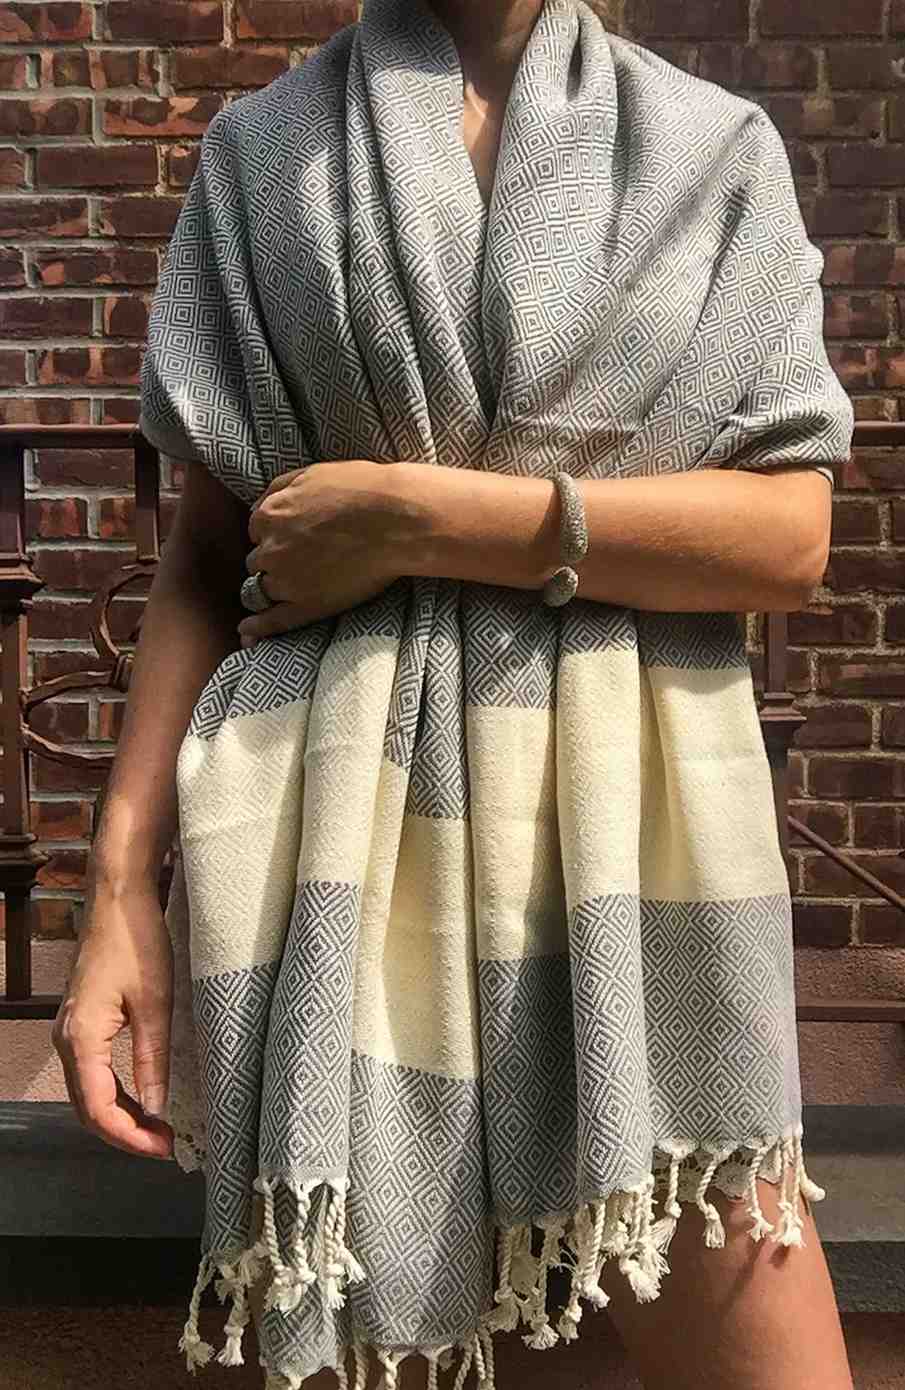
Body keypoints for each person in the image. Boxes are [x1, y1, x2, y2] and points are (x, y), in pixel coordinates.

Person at [52, 1, 856, 1387]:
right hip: (340, 852)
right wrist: (118, 883)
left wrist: (425, 520)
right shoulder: (264, 156)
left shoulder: (710, 147)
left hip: (628, 844)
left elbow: (789, 534)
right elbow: (205, 556)